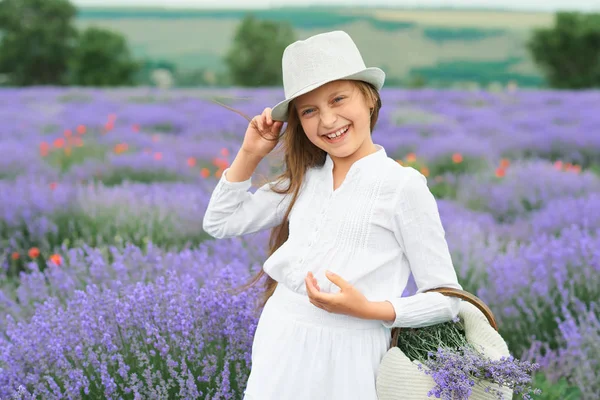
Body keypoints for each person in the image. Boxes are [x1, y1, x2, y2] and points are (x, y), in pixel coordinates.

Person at [202, 30, 463, 400]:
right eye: (309, 111)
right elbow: (220, 222)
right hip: (280, 335)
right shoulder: (304, 178)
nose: (327, 121)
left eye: (338, 99)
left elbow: (447, 297)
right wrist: (249, 154)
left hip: (351, 348)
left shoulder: (402, 186)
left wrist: (373, 309)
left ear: (369, 98)